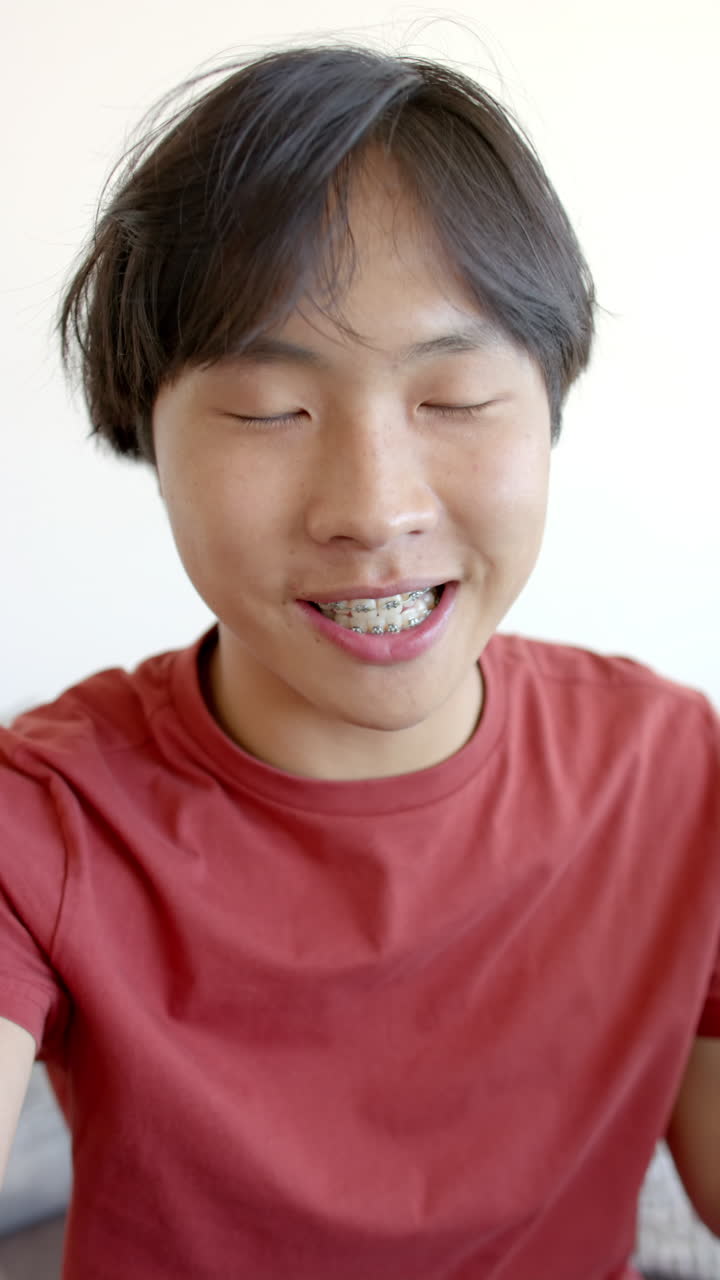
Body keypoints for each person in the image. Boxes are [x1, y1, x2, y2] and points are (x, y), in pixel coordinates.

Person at [0, 42, 718, 1280]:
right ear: (147, 435)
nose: (375, 508)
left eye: (456, 397)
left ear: (549, 408)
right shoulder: (49, 811)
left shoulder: (674, 774)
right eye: (269, 410)